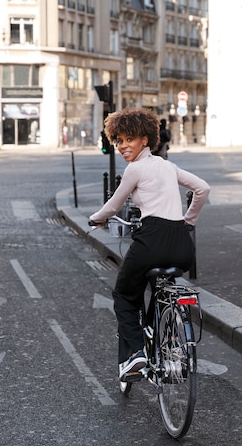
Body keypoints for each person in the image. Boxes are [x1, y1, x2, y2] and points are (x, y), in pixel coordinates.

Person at [89, 107, 210, 381]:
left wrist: (96, 219)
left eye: (128, 139)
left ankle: (135, 355)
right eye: (118, 140)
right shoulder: (168, 166)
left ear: (145, 139)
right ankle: (164, 343)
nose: (122, 146)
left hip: (151, 241)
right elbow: (202, 188)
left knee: (124, 295)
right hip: (182, 246)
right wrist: (188, 221)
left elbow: (114, 205)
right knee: (161, 291)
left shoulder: (135, 169)